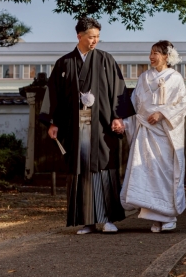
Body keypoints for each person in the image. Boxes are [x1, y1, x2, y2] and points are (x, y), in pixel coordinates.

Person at [45, 17, 130, 234]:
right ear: (79, 36)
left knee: (103, 167)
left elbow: (118, 89)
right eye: (91, 37)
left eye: (98, 37)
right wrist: (52, 122)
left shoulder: (105, 60)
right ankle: (88, 221)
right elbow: (54, 95)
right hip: (75, 126)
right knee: (80, 169)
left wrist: (118, 117)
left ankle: (106, 218)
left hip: (101, 126)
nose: (95, 41)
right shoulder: (64, 63)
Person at [120, 40, 186, 232]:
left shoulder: (175, 78)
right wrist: (124, 123)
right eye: (150, 53)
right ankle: (154, 216)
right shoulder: (144, 77)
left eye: (156, 53)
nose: (151, 57)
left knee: (165, 172)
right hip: (145, 132)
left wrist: (162, 113)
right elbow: (134, 105)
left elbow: (184, 102)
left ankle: (168, 215)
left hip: (165, 134)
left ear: (166, 56)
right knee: (147, 172)